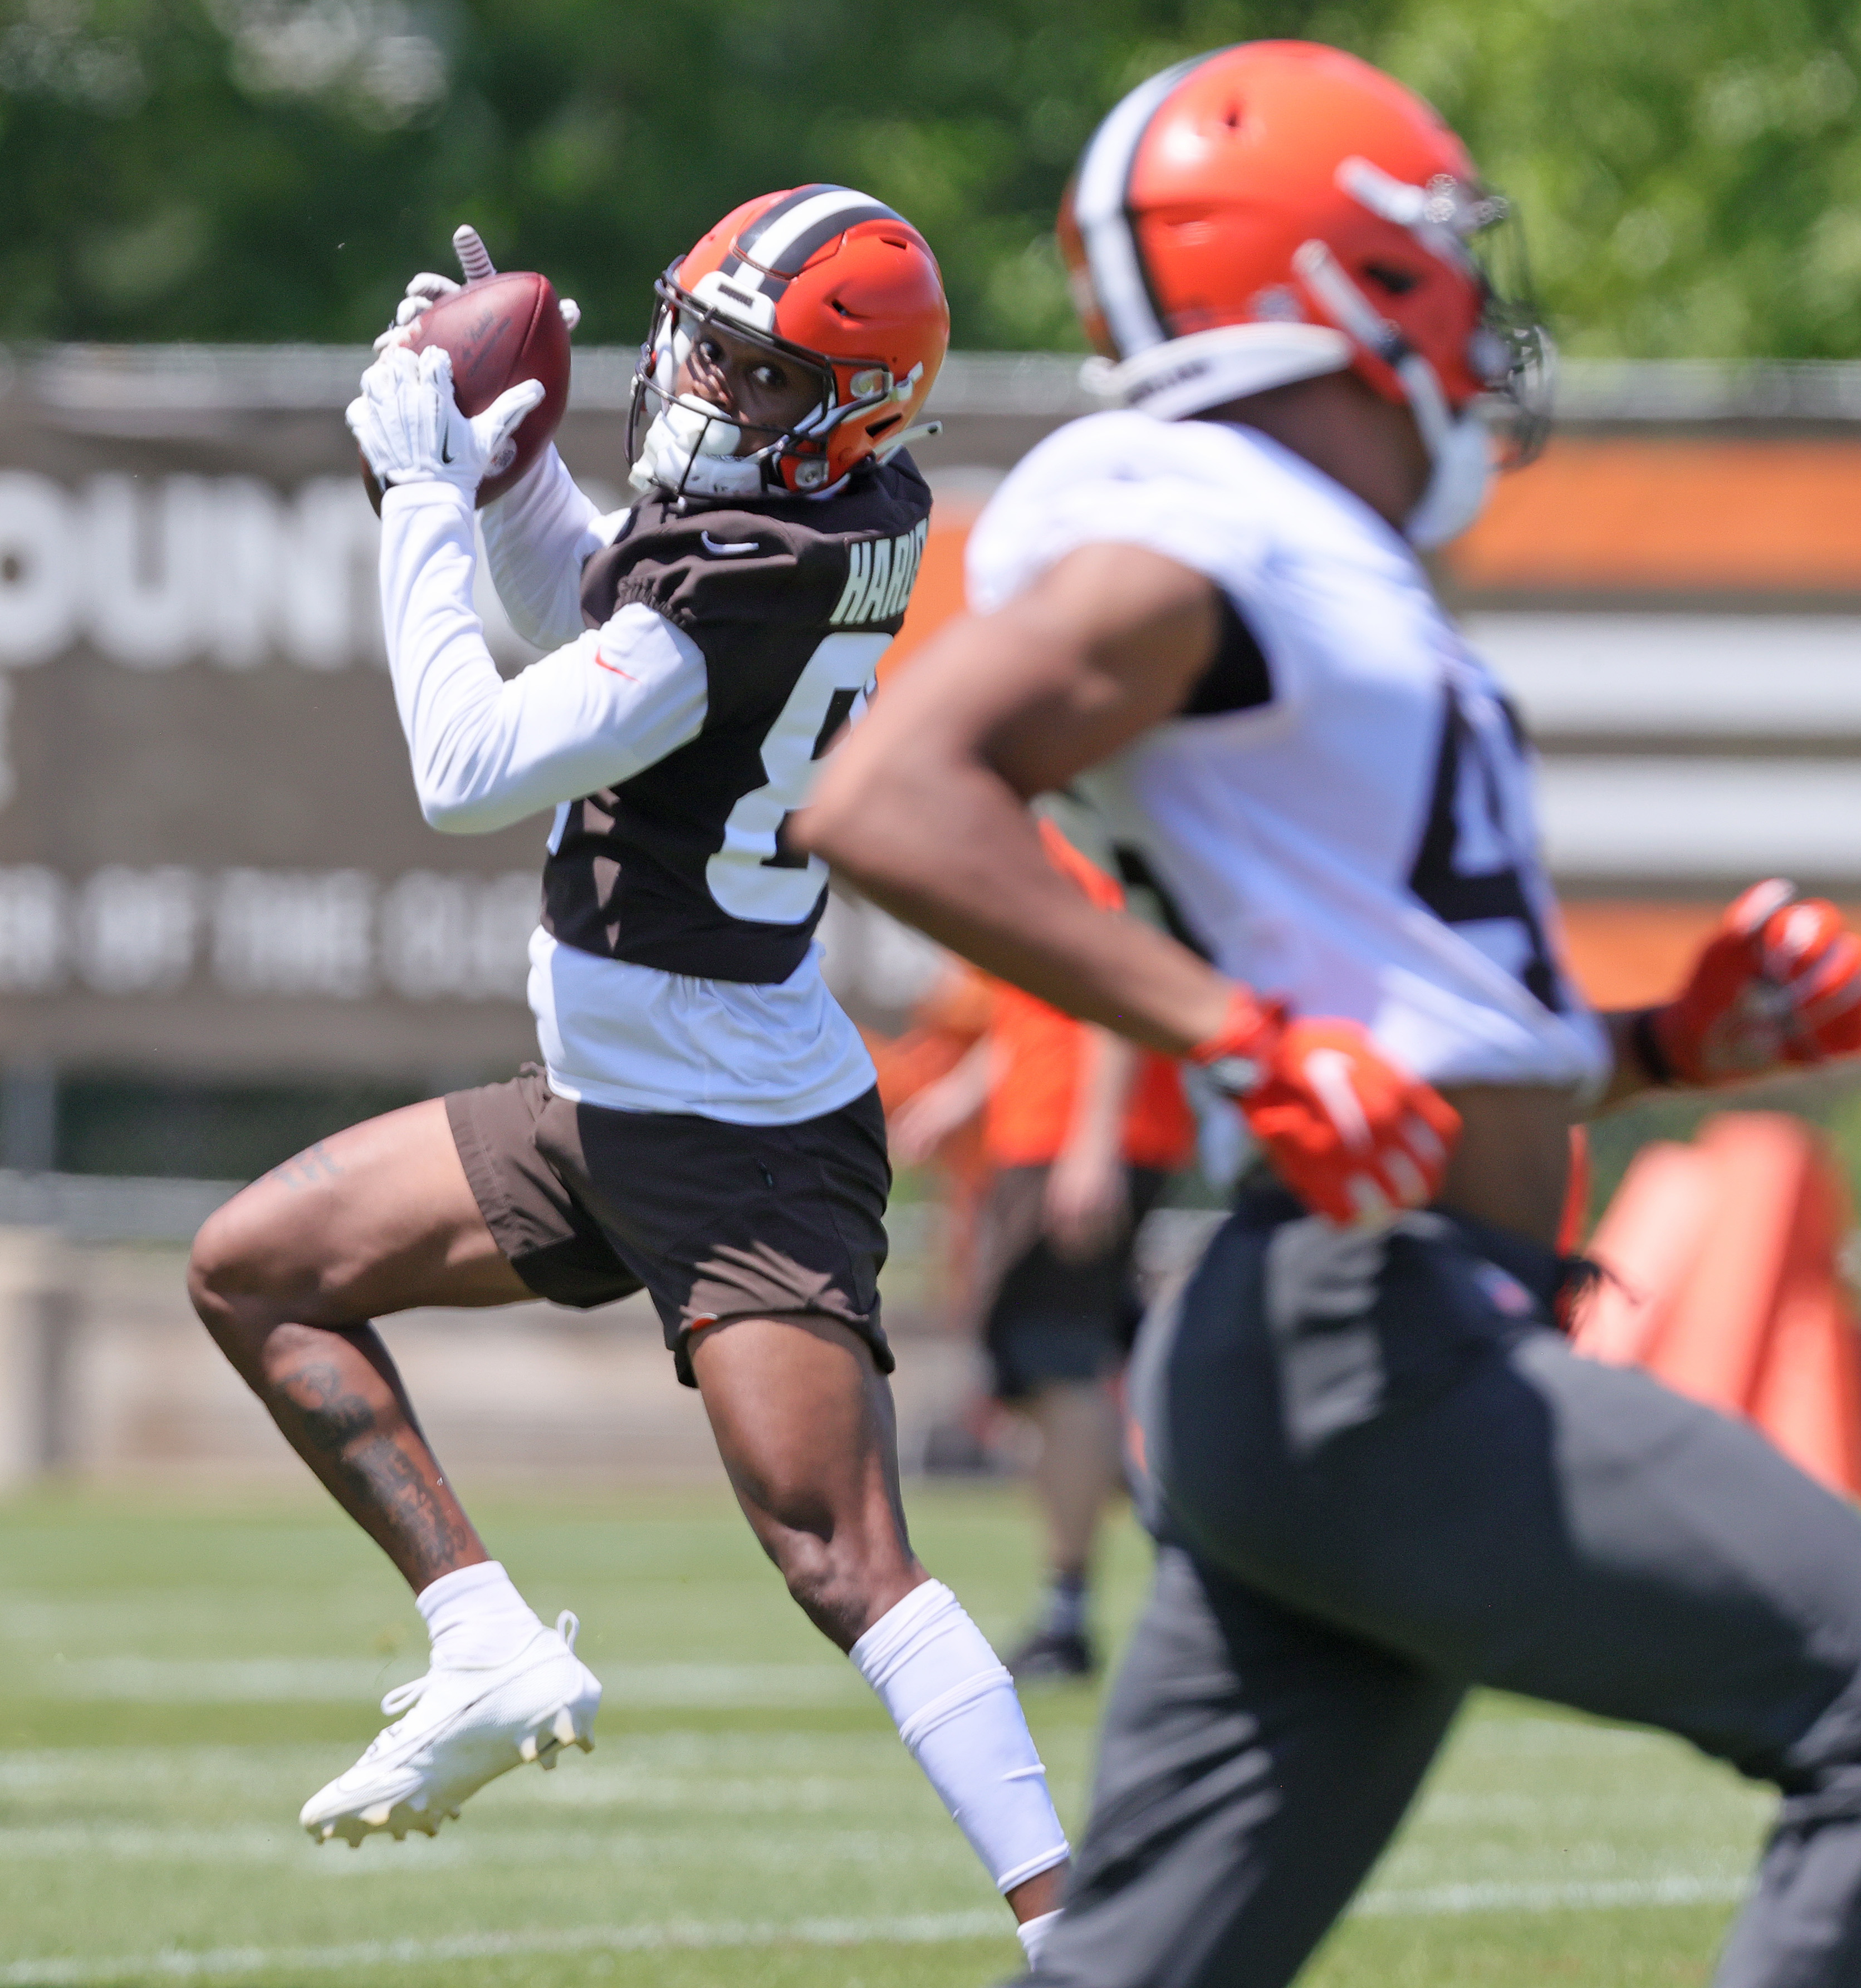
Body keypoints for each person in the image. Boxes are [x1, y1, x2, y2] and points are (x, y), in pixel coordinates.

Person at [802, 44, 1861, 1987]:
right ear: (1336, 277)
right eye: (1439, 256)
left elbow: (1402, 1024)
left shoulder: (1314, 554)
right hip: (1374, 1339)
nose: (1475, 303)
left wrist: (1657, 1046)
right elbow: (888, 794)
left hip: (1338, 1342)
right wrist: (1230, 1033)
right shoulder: (1208, 514)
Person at [187, 188, 1071, 1959]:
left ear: (850, 403)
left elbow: (473, 759)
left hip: (737, 1135)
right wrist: (504, 469)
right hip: (604, 1098)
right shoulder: (816, 505)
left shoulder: (757, 573)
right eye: (701, 340)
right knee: (254, 1269)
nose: (702, 389)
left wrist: (425, 498)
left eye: (751, 371)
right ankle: (483, 1635)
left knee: (841, 1558)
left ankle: (1073, 1922)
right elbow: (596, 605)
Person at [892, 817, 1194, 1680]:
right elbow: (1045, 1001)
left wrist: (1093, 1140)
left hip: (1078, 1136)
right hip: (1050, 1131)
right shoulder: (1041, 830)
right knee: (1054, 1366)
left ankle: (1074, 1612)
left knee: (1052, 1364)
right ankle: (1176, 1540)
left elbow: (1114, 985)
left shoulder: (1085, 832)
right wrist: (965, 1092)